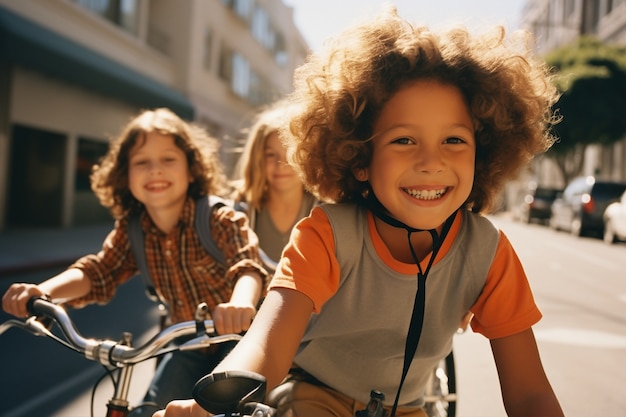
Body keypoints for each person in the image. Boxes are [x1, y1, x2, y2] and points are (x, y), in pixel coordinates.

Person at [155, 5, 564, 417]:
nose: (431, 162)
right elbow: (267, 345)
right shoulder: (327, 234)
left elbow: (529, 394)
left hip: (409, 408)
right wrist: (211, 405)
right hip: (314, 395)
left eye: (454, 141)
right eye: (404, 140)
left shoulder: (488, 251)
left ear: (484, 153)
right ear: (360, 158)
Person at [1, 108, 268, 415]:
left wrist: (240, 303)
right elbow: (99, 271)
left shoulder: (219, 217)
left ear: (192, 169)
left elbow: (247, 266)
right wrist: (42, 291)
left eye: (168, 159)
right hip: (187, 342)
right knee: (154, 409)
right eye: (142, 162)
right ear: (125, 176)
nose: (155, 170)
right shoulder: (134, 229)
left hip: (239, 337)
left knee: (226, 408)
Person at [231, 101, 318, 270]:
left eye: (291, 154)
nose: (281, 164)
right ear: (257, 158)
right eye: (271, 155)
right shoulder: (241, 211)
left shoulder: (325, 209)